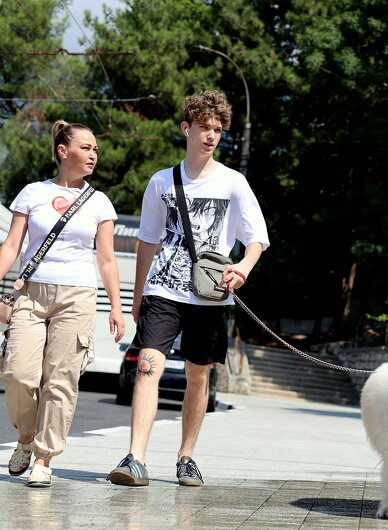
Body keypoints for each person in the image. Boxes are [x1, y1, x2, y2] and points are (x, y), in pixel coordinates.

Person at [107, 89, 269, 487]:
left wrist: (244, 268)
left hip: (211, 294)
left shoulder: (234, 183)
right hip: (164, 289)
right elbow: (147, 239)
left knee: (199, 376)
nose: (211, 136)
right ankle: (135, 458)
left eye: (217, 130)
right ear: (186, 129)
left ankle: (186, 457)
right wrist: (138, 293)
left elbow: (257, 238)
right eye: (204, 127)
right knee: (147, 366)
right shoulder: (161, 182)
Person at [0, 120, 125, 487]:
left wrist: (115, 306)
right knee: (17, 373)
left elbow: (106, 260)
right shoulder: (32, 193)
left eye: (96, 150)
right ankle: (26, 436)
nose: (93, 155)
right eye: (86, 148)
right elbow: (11, 246)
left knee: (61, 380)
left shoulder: (99, 202)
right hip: (31, 293)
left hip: (78, 296)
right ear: (62, 151)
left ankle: (43, 457)